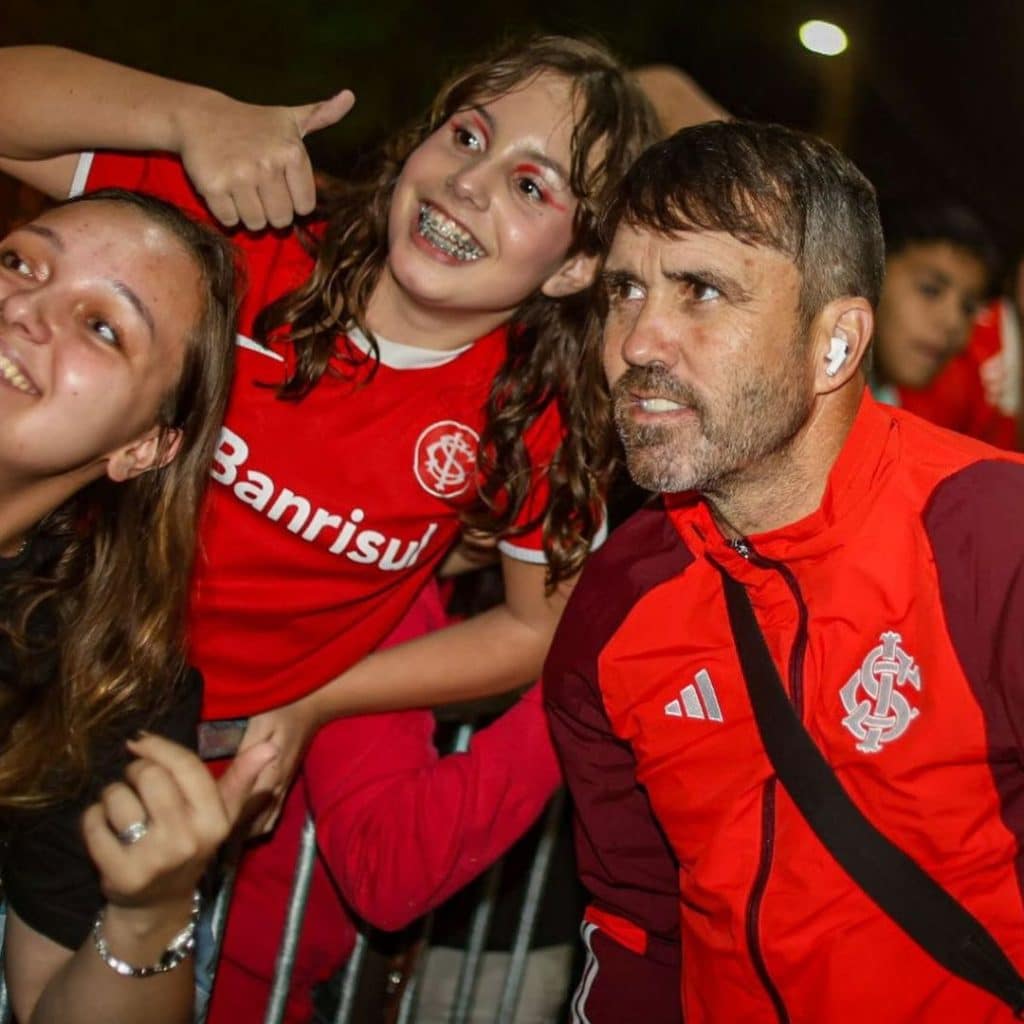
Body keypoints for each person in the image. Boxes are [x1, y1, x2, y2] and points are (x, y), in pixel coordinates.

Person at [0, 37, 658, 1019]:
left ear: (576, 269)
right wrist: (185, 112)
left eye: (532, 187)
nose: (469, 185)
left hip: (165, 785)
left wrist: (320, 699)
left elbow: (537, 630)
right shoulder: (255, 234)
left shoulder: (532, 421)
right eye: (466, 135)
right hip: (30, 663)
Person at [544, 119, 1024, 1023]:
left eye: (703, 292)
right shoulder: (614, 610)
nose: (638, 342)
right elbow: (636, 925)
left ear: (835, 345)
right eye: (624, 290)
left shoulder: (991, 539)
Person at [0, 187, 277, 1023]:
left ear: (144, 447)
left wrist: (149, 912)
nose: (25, 309)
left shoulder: (93, 683)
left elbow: (51, 1002)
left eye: (102, 326)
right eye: (19, 262)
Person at [871, 202, 1013, 445]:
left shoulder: (886, 412)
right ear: (869, 274)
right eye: (930, 290)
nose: (953, 323)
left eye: (968, 308)